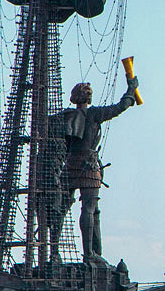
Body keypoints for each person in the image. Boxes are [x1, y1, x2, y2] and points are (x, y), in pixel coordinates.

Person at [48, 74, 140, 265]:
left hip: (70, 164)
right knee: (90, 209)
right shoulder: (94, 114)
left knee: (61, 208)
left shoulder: (64, 117)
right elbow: (120, 107)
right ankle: (90, 254)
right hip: (89, 166)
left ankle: (54, 252)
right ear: (88, 98)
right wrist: (131, 89)